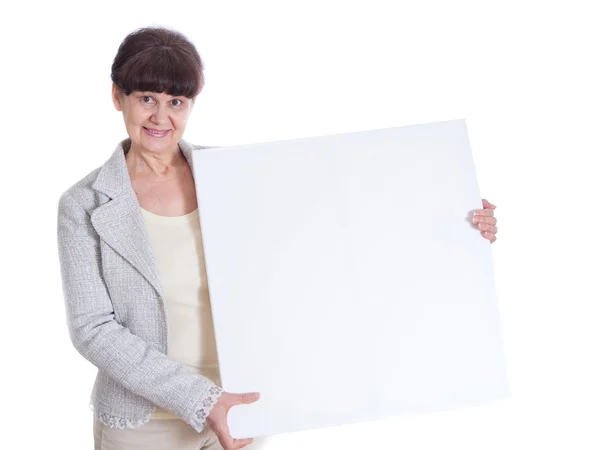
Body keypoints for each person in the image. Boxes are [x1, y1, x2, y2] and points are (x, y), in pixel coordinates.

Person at [56, 26, 499, 450]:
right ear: (118, 96)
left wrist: (452, 213)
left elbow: (335, 225)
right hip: (147, 423)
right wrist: (201, 399)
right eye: (146, 98)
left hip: (247, 409)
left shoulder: (233, 175)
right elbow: (92, 330)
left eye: (177, 101)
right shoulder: (84, 204)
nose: (160, 116)